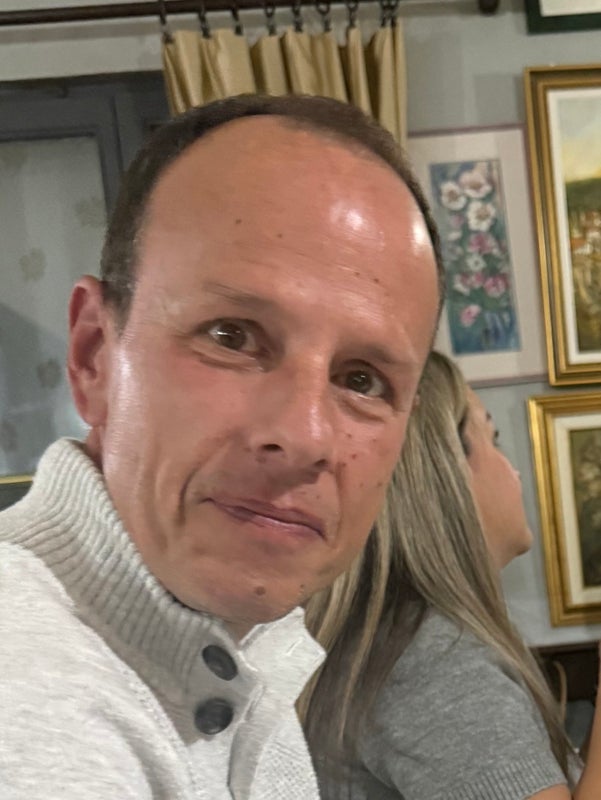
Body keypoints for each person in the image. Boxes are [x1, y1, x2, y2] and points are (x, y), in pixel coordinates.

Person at [0, 94, 442, 799]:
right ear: (93, 357)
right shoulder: (30, 704)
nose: (303, 436)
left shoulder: (241, 646)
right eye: (231, 337)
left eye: (362, 380)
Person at [301, 350, 601, 800]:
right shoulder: (433, 662)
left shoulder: (406, 640)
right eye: (494, 439)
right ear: (447, 475)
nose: (515, 469)